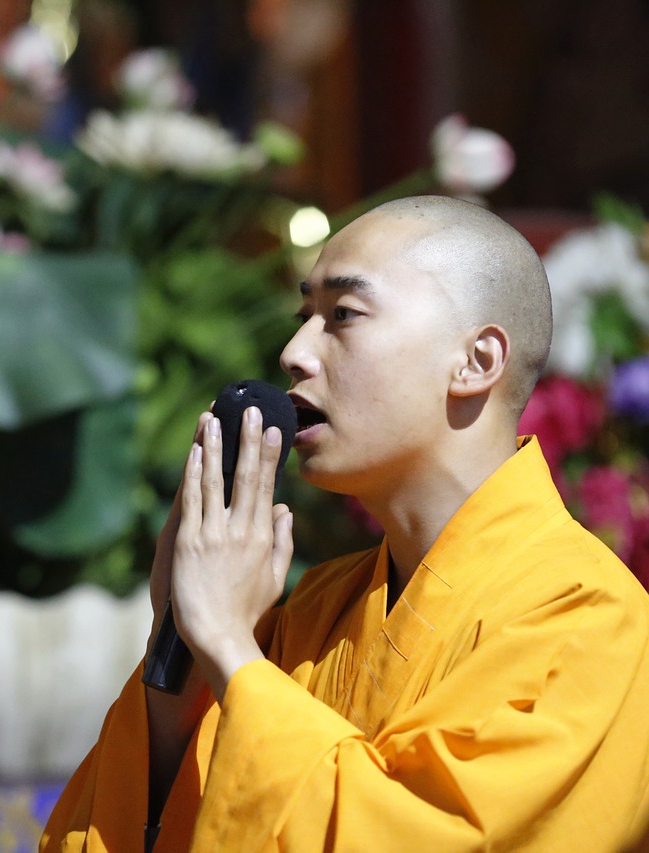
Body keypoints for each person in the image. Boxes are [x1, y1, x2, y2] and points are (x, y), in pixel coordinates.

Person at [41, 195, 649, 851]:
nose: (294, 352)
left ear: (476, 360)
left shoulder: (591, 621)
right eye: (305, 316)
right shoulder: (315, 612)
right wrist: (182, 655)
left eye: (342, 315)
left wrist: (226, 642)